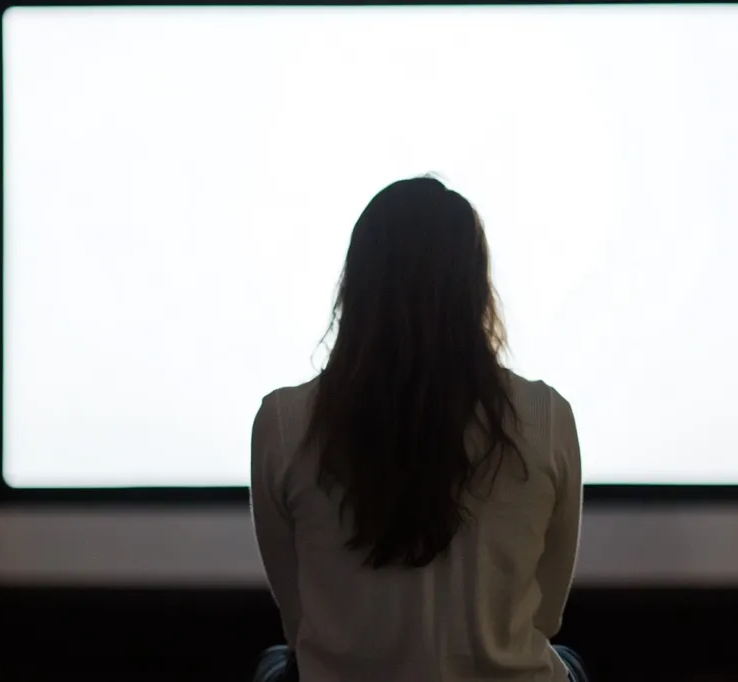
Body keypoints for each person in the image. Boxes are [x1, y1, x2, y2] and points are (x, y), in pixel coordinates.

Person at [251, 176, 586, 682]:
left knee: (275, 664)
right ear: (476, 289)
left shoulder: (282, 421)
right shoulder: (547, 416)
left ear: (355, 286)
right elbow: (545, 617)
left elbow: (299, 620)